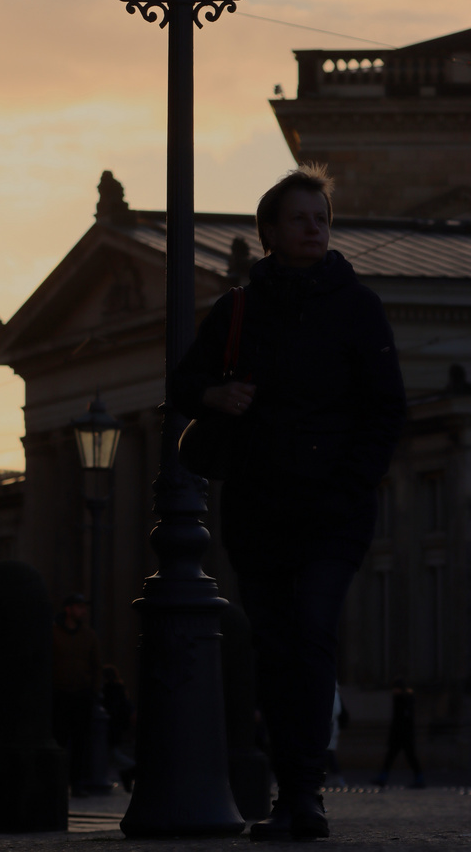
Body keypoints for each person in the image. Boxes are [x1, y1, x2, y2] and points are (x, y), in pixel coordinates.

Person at [171, 164, 406, 841]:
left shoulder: (357, 307)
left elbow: (385, 408)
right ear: (268, 232)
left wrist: (352, 483)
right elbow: (184, 382)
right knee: (275, 648)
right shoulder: (238, 309)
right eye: (300, 218)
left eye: (322, 217)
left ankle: (305, 794)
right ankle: (292, 796)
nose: (314, 227)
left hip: (333, 511)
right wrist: (214, 396)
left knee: (309, 633)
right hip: (260, 508)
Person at [52, 594, 103, 797]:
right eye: (79, 607)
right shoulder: (53, 632)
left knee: (80, 742)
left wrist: (93, 690)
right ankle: (58, 782)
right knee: (59, 740)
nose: (83, 611)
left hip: (81, 695)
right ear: (69, 609)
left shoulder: (88, 635)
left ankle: (77, 782)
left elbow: (96, 665)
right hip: (60, 694)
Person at [373, 678, 425, 788]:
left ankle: (419, 779)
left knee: (409, 758)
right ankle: (383, 777)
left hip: (404, 735)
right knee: (391, 757)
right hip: (400, 735)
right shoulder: (400, 699)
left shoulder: (405, 700)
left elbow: (403, 719)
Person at [102, 664, 136, 792]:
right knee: (112, 753)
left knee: (112, 754)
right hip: (115, 726)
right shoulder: (119, 689)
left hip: (111, 725)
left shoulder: (108, 690)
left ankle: (131, 769)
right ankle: (130, 771)